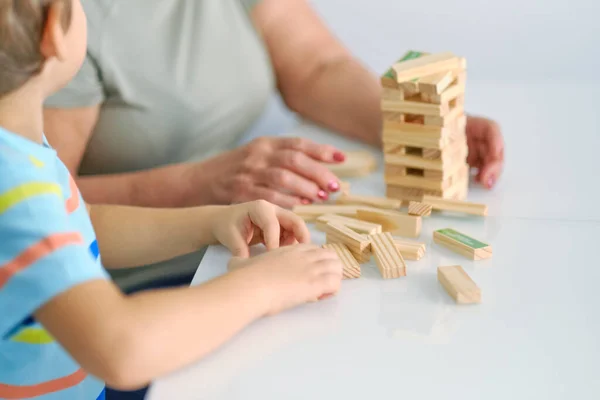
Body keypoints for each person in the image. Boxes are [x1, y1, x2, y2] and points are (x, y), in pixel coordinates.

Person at [0, 1, 343, 399]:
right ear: (54, 33)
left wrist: (209, 222)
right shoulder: (16, 185)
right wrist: (263, 288)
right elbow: (122, 348)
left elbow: (82, 219)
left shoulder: (18, 148)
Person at [42, 0, 504, 288]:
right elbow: (41, 202)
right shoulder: (56, 19)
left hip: (242, 240)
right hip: (139, 279)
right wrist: (200, 185)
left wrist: (421, 128)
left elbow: (315, 68)